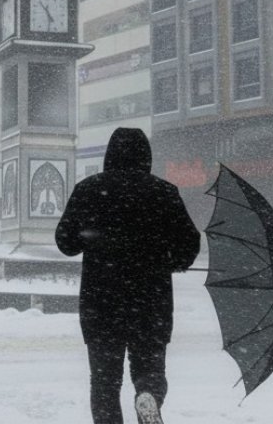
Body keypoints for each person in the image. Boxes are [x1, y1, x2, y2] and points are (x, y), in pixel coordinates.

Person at [56, 128, 201, 424]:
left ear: (110, 154)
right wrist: (173, 260)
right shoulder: (164, 192)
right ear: (146, 156)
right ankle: (148, 395)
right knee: (150, 370)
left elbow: (65, 242)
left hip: (101, 304)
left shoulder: (89, 189)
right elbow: (189, 244)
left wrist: (92, 237)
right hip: (150, 304)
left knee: (105, 384)